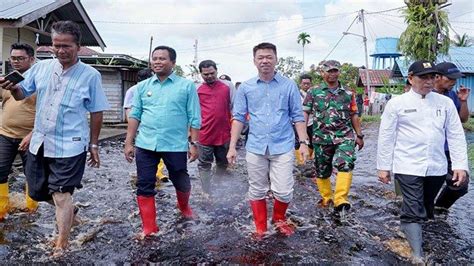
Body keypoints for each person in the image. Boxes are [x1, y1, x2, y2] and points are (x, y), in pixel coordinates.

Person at [0, 21, 109, 253]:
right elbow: (21, 94)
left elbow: (97, 111)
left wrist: (94, 143)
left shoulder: (91, 75)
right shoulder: (41, 69)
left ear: (78, 46)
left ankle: (62, 243)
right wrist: (11, 87)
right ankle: (71, 211)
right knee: (37, 192)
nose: (61, 50)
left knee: (61, 194)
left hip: (70, 145)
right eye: (56, 45)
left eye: (66, 46)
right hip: (40, 142)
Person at [377, 60, 468, 263]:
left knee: (426, 208)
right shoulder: (397, 104)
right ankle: (418, 256)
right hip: (407, 164)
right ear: (410, 78)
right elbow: (386, 136)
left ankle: (408, 227)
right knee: (412, 206)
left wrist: (460, 165)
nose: (428, 82)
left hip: (436, 166)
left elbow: (455, 134)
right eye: (423, 77)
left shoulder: (444, 104)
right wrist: (383, 167)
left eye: (431, 77)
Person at [227, 42, 309, 237]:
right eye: (260, 57)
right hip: (255, 146)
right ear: (254, 61)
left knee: (283, 190)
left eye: (269, 57)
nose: (265, 61)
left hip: (283, 146)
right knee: (257, 189)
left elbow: (298, 116)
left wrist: (304, 143)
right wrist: (232, 147)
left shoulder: (289, 85)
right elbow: (238, 118)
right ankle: (260, 228)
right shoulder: (246, 87)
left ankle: (279, 218)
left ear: (276, 59)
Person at [124, 46, 201, 237]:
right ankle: (149, 228)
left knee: (180, 178)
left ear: (173, 63)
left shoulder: (186, 86)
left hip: (174, 144)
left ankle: (184, 207)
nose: (157, 62)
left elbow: (195, 116)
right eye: (155, 58)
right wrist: (128, 142)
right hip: (146, 143)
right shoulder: (142, 87)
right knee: (144, 183)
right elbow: (135, 115)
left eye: (162, 59)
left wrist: (194, 143)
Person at [303, 60, 364, 215]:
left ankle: (341, 199)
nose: (332, 74)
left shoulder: (348, 94)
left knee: (346, 163)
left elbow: (354, 115)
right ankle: (326, 198)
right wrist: (303, 136)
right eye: (328, 71)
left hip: (344, 136)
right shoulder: (313, 92)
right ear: (322, 73)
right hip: (321, 137)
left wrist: (359, 135)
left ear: (339, 72)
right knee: (322, 169)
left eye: (335, 70)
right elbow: (305, 113)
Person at [0, 43, 37, 220]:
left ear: (31, 59)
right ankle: (2, 210)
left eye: (20, 58)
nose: (16, 61)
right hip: (5, 134)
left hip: (31, 136)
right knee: (0, 171)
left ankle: (31, 211)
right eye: (13, 58)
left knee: (32, 174)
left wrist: (35, 133)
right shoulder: (5, 81)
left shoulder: (38, 81)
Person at [433, 62, 470, 211]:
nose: (454, 82)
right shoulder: (425, 95)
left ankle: (439, 209)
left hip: (449, 149)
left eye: (456, 78)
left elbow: (463, 119)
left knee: (460, 184)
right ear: (437, 77)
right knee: (427, 185)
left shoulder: (452, 95)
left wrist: (463, 101)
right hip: (430, 149)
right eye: (450, 78)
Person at [123, 68, 168, 183]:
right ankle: (146, 174)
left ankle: (157, 172)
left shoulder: (157, 89)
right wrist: (134, 127)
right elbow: (129, 110)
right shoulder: (134, 90)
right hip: (141, 127)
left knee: (159, 147)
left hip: (154, 126)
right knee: (144, 151)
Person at [196, 60, 232, 197]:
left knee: (223, 161)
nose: (209, 76)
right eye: (205, 74)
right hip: (204, 132)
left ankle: (217, 182)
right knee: (204, 163)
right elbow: (193, 111)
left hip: (224, 132)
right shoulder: (197, 89)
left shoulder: (227, 87)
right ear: (201, 74)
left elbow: (234, 107)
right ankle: (206, 190)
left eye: (212, 73)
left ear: (216, 71)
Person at [295, 74, 314, 165]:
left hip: (312, 122)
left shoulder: (314, 94)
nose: (306, 85)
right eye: (304, 83)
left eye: (308, 83)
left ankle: (309, 160)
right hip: (299, 123)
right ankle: (301, 163)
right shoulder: (296, 95)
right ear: (300, 84)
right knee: (299, 142)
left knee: (313, 143)